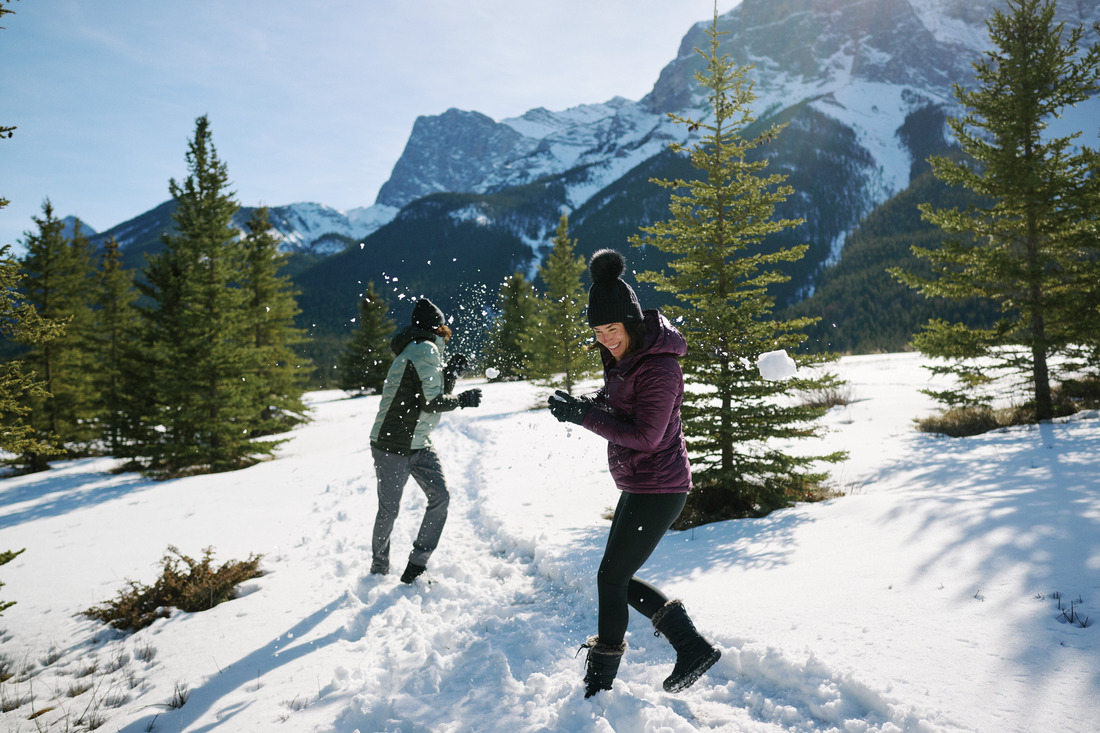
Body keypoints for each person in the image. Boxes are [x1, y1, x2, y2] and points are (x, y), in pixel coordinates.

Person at [547, 249, 720, 698]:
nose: (606, 339)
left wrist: (584, 418)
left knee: (611, 579)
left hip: (660, 486)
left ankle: (600, 684)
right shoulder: (626, 357)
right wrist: (582, 406)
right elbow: (619, 405)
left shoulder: (659, 366)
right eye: (599, 332)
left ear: (631, 322)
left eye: (612, 329)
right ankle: (691, 646)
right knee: (614, 577)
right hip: (641, 483)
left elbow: (645, 435)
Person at [369, 297, 482, 584]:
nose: (447, 332)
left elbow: (424, 393)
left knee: (440, 497)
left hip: (418, 441)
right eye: (444, 328)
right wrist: (462, 400)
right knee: (390, 509)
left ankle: (416, 565)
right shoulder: (424, 349)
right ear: (437, 328)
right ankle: (379, 569)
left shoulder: (418, 348)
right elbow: (431, 402)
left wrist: (451, 376)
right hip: (393, 444)